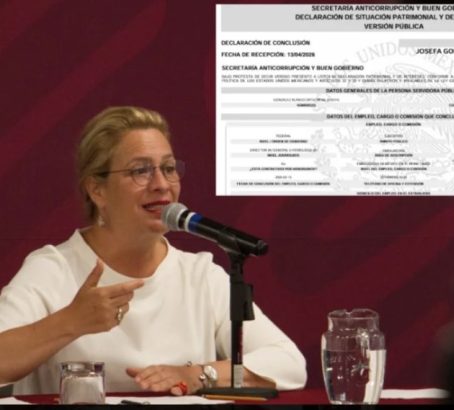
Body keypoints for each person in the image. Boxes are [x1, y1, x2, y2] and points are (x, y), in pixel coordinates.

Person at [0, 106, 307, 395]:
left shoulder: (199, 275)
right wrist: (70, 322)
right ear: (97, 189)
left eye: (169, 168)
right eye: (141, 171)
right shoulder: (53, 269)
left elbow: (288, 363)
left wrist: (198, 375)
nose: (162, 184)